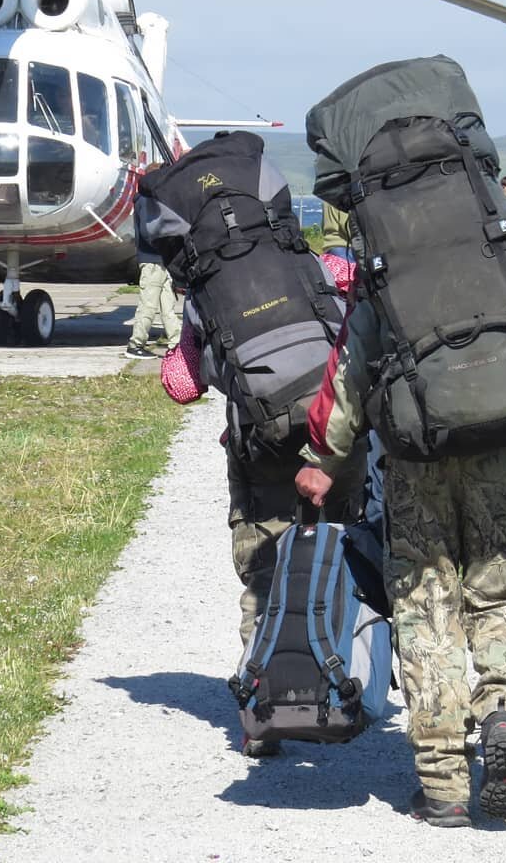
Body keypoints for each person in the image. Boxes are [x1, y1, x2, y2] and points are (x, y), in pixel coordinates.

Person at [295, 220, 506, 827]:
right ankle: (503, 708)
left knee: (425, 604)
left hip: (415, 451)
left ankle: (443, 781)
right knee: (500, 589)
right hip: (505, 446)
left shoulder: (386, 242)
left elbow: (352, 357)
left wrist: (323, 457)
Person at [162, 258, 367, 758]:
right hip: (336, 447)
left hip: (261, 454)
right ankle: (343, 687)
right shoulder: (324, 268)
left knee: (263, 581)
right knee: (345, 567)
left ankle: (260, 715)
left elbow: (182, 386)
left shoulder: (209, 292)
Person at [125, 200, 181, 359]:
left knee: (168, 306)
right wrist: (166, 245)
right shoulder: (147, 200)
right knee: (148, 305)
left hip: (162, 261)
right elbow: (148, 230)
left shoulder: (152, 199)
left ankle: (177, 343)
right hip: (152, 261)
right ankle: (135, 345)